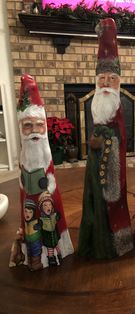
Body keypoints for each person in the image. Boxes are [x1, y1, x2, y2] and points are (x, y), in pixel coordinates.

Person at [78, 18, 133, 259]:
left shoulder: (118, 104)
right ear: (96, 81)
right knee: (94, 200)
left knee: (114, 201)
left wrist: (107, 140)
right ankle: (93, 240)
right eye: (102, 78)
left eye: (112, 78)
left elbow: (120, 134)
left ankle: (113, 243)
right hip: (94, 162)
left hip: (113, 166)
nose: (107, 82)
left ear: (119, 81)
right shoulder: (97, 103)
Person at [10, 74, 74, 270]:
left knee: (51, 226)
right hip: (30, 209)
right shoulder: (24, 157)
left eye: (39, 125)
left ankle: (54, 252)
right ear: (21, 128)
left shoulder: (46, 156)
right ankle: (35, 257)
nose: (35, 131)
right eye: (28, 126)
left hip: (48, 205)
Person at [38, 191, 62, 267]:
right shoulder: (42, 219)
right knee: (50, 249)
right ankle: (51, 259)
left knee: (57, 246)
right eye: (45, 205)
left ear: (52, 207)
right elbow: (39, 227)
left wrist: (58, 215)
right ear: (42, 208)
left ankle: (59, 255)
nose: (48, 207)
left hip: (55, 236)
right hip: (48, 238)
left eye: (49, 205)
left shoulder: (54, 215)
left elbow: (58, 218)